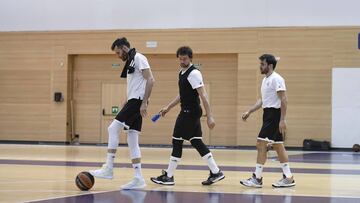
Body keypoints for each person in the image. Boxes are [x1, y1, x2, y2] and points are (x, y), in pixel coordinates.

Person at [150, 46, 224, 186]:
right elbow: (182, 95)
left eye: (185, 59)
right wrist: (168, 107)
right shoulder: (182, 72)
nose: (182, 61)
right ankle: (216, 172)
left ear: (191, 58)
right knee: (196, 141)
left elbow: (204, 95)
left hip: (189, 112)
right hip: (189, 111)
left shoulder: (194, 73)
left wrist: (210, 116)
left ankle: (169, 176)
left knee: (177, 140)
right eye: (180, 59)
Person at [89, 37, 155, 190]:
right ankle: (138, 178)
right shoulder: (131, 61)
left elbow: (151, 80)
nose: (118, 56)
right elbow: (136, 84)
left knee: (112, 129)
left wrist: (144, 102)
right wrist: (126, 100)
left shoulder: (139, 58)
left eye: (118, 52)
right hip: (133, 101)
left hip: (137, 101)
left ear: (124, 48)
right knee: (132, 138)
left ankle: (108, 168)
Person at [240, 54, 295, 188]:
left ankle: (257, 178)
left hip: (274, 116)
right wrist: (249, 111)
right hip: (268, 114)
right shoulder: (265, 80)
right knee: (278, 146)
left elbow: (284, 99)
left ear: (270, 65)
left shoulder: (277, 79)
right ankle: (288, 177)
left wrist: (282, 119)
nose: (260, 66)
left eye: (262, 64)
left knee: (261, 144)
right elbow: (262, 101)